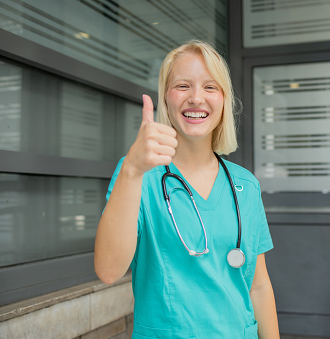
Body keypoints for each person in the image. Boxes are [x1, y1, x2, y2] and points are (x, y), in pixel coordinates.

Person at [94, 40, 279, 339]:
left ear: (223, 100)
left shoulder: (245, 185)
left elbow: (258, 286)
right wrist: (131, 169)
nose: (196, 98)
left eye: (209, 87)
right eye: (182, 86)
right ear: (166, 98)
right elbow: (108, 270)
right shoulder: (138, 175)